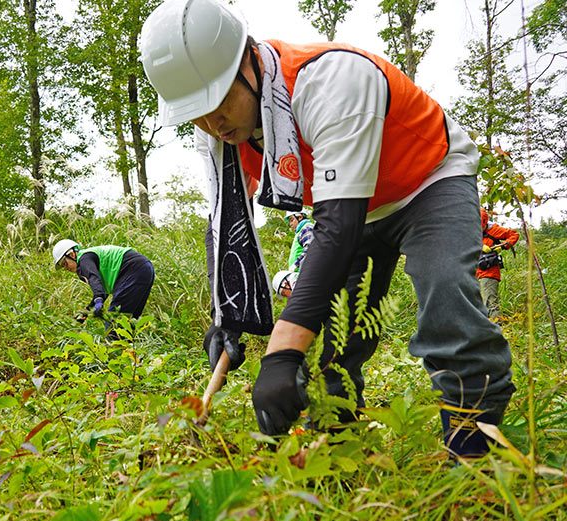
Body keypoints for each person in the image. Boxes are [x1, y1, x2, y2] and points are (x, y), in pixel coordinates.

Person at [140, 0, 516, 458]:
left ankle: (476, 457)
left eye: (217, 101)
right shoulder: (218, 134)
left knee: (444, 300)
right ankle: (338, 456)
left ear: (247, 61)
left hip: (427, 178)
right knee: (332, 344)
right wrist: (230, 317)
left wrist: (280, 352)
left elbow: (337, 228)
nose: (211, 124)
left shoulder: (330, 81)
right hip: (349, 208)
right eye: (194, 113)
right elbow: (227, 225)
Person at [52, 239, 155, 322]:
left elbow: (93, 278)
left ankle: (116, 345)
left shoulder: (84, 260)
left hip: (132, 269)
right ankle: (128, 347)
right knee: (129, 321)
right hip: (144, 269)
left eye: (65, 263)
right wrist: (86, 312)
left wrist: (98, 299)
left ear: (72, 254)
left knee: (114, 324)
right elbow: (101, 289)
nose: (65, 268)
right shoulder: (89, 259)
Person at [477, 208, 519, 320]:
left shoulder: (494, 230)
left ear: (485, 223)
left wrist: (502, 246)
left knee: (490, 301)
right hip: (472, 270)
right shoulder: (468, 230)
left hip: (489, 271)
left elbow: (514, 235)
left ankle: (497, 328)